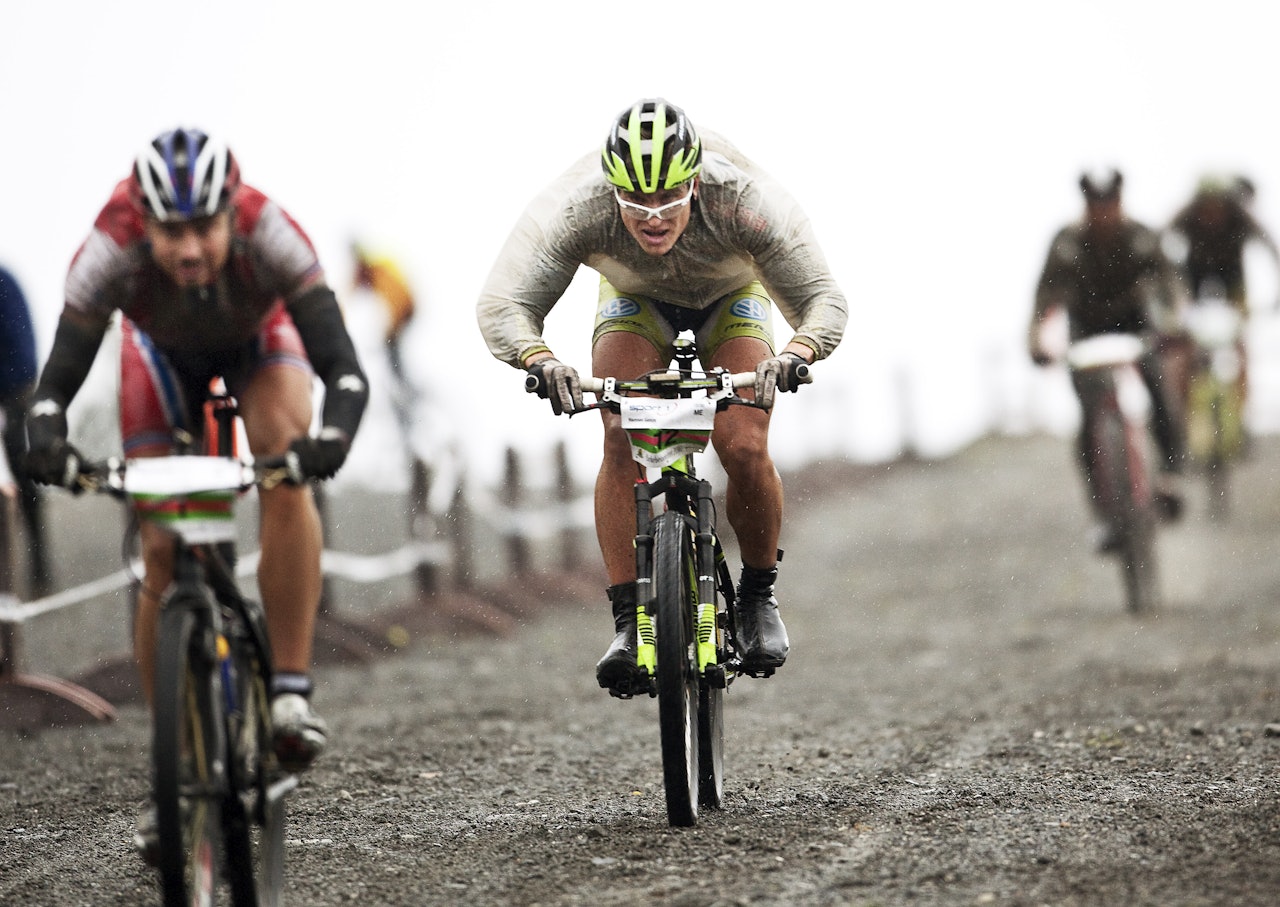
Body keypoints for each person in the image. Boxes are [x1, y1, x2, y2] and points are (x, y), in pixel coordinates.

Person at [24, 129, 368, 805]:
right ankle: (174, 757)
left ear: (232, 212)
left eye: (204, 229)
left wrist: (329, 437)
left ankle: (292, 692)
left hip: (258, 342)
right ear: (141, 221)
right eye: (169, 231)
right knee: (158, 543)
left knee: (282, 457)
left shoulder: (272, 231)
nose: (188, 249)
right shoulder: (106, 249)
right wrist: (46, 439)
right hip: (157, 356)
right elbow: (54, 386)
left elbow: (343, 367)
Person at [476, 98, 848, 695]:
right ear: (612, 188)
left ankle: (757, 596)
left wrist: (797, 353)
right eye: (635, 200)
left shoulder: (745, 202)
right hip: (634, 302)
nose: (653, 216)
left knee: (743, 440)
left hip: (732, 298)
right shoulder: (580, 207)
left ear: (696, 180)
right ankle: (629, 623)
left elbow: (825, 299)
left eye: (670, 198)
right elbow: (503, 304)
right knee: (620, 432)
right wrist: (539, 360)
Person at [1028, 168, 1186, 550]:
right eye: (1095, 205)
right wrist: (1036, 342)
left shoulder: (1143, 238)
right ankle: (1102, 513)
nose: (1103, 213)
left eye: (1109, 203)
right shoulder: (1065, 243)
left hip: (1136, 325)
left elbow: (1169, 286)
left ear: (1120, 200)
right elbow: (1043, 297)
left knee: (1159, 391)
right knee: (1090, 416)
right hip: (1087, 331)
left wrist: (1174, 324)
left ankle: (1168, 476)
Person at [1162, 174, 1280, 419]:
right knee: (1185, 345)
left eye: (1218, 206)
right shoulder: (1187, 214)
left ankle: (1241, 413)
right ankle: (1183, 414)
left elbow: (1271, 248)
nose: (1212, 213)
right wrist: (1169, 288)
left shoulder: (1241, 216)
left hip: (1232, 280)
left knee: (1239, 343)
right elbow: (1158, 242)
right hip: (1194, 278)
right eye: (1206, 206)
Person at [0, 263, 52, 597]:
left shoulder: (4, 284)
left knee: (24, 472)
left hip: (14, 392)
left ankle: (39, 562)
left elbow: (22, 347)